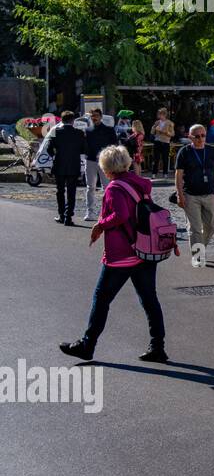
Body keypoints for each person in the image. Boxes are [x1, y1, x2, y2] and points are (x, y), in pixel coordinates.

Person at [58, 145, 170, 363]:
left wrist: (100, 225)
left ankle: (87, 345)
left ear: (106, 167)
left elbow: (120, 215)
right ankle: (158, 346)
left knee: (101, 299)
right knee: (149, 299)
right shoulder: (141, 184)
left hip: (121, 252)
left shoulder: (114, 188)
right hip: (144, 249)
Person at [175, 123, 214, 264]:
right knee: (195, 228)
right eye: (197, 136)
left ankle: (200, 248)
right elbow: (178, 175)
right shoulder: (184, 152)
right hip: (190, 195)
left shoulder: (211, 151)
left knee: (212, 225)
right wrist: (180, 195)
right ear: (190, 137)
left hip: (210, 194)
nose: (200, 138)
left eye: (203, 135)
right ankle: (198, 257)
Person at [47, 111, 86, 225]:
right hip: (73, 165)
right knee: (71, 192)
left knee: (60, 191)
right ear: (73, 121)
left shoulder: (56, 132)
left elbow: (49, 149)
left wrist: (57, 154)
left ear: (62, 120)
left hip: (59, 165)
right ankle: (68, 217)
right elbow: (84, 149)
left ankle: (61, 215)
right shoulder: (79, 133)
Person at [82, 107, 118, 222]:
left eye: (96, 115)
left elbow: (115, 146)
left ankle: (107, 211)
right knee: (90, 187)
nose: (94, 118)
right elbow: (84, 146)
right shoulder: (87, 131)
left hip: (105, 162)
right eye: (92, 116)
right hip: (91, 160)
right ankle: (90, 212)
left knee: (107, 187)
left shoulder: (109, 130)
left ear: (101, 116)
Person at [150, 107, 174, 176]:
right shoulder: (157, 122)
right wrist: (153, 128)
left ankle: (165, 173)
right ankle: (154, 173)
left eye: (160, 114)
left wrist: (165, 132)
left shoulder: (170, 123)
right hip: (157, 141)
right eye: (158, 114)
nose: (159, 116)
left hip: (165, 142)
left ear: (164, 115)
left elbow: (172, 134)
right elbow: (152, 132)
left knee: (165, 158)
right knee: (156, 158)